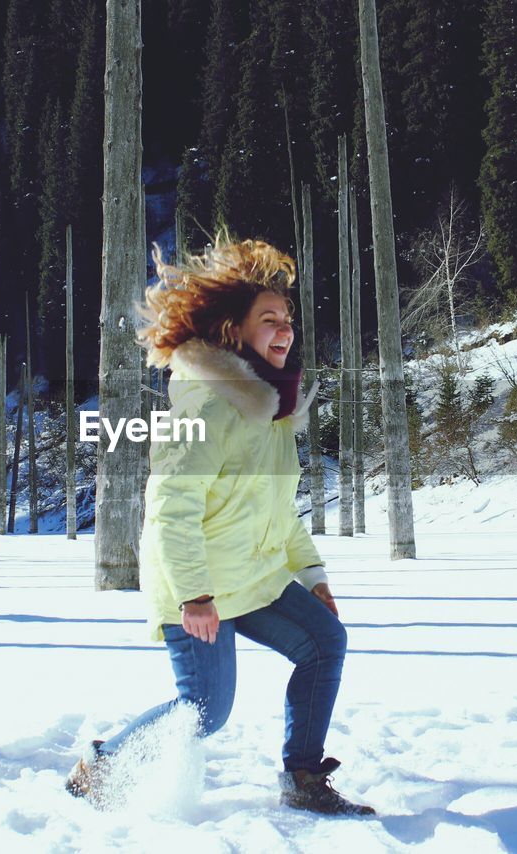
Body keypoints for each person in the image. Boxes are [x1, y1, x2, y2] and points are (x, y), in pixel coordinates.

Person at [65, 233, 374, 816]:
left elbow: (279, 511)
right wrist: (195, 595)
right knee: (206, 707)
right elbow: (170, 511)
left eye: (287, 319)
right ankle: (99, 768)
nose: (284, 330)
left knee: (324, 643)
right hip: (195, 585)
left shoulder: (275, 411)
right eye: (269, 319)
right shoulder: (205, 403)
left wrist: (313, 575)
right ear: (235, 331)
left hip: (252, 576)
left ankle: (304, 777)